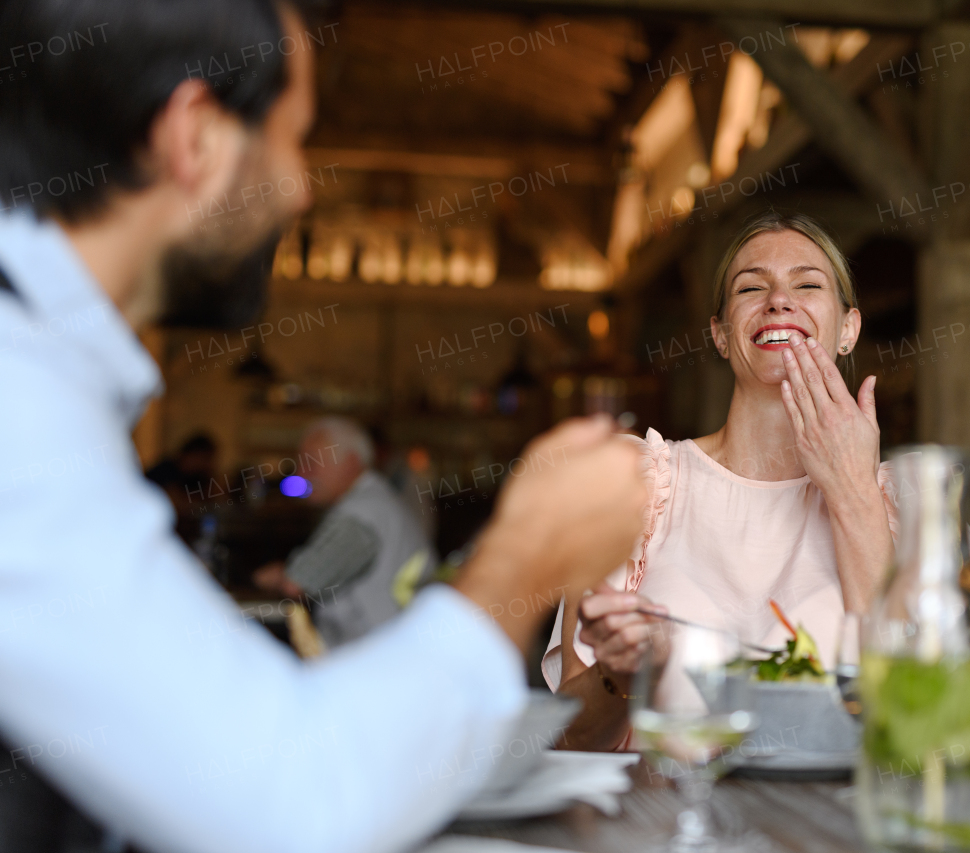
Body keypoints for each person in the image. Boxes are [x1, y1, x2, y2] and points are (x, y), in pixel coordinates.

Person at [0, 2, 646, 853]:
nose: (303, 188)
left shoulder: (50, 373)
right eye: (291, 142)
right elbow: (287, 802)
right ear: (194, 136)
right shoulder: (22, 402)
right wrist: (527, 558)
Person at [544, 212, 970, 750]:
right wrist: (623, 674)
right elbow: (573, 742)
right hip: (666, 824)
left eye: (807, 284)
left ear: (848, 330)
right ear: (722, 335)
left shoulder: (914, 504)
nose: (779, 300)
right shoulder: (630, 486)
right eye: (752, 287)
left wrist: (854, 492)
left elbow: (932, 726)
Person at [253, 417, 439, 648]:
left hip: (373, 658)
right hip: (390, 649)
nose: (301, 473)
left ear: (351, 462)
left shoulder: (363, 511)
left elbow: (300, 581)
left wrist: (275, 575)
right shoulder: (376, 499)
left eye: (311, 463)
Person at [144, 432, 220, 515]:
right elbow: (169, 500)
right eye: (205, 459)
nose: (207, 464)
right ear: (192, 454)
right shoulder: (165, 470)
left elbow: (210, 502)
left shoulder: (200, 477)